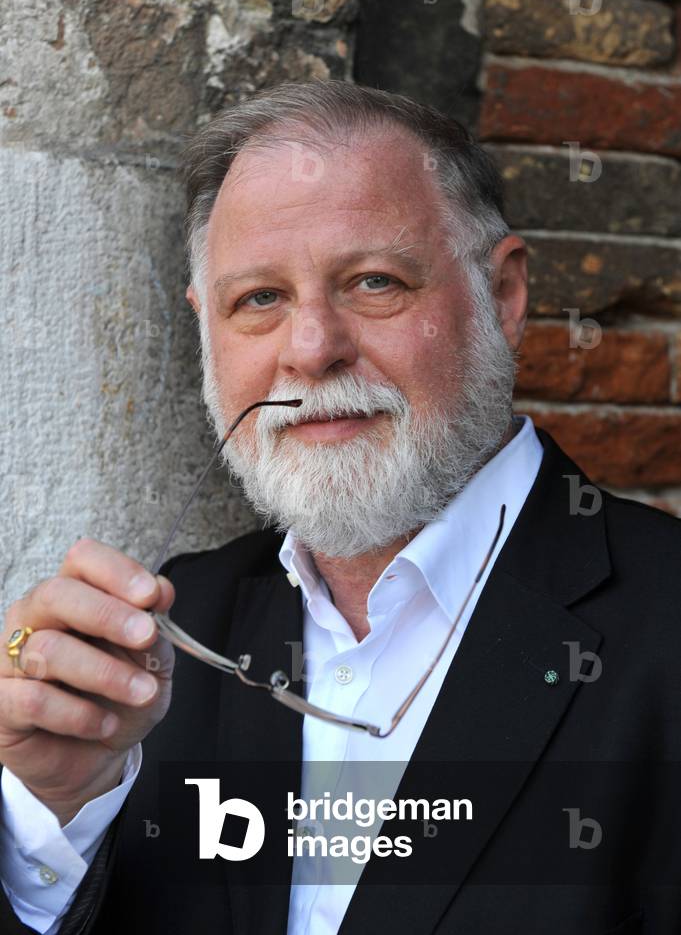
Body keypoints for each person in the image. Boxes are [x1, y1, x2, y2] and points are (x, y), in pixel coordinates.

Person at [0, 81, 679, 935]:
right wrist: (53, 811)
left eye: (373, 281)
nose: (312, 348)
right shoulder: (173, 630)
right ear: (205, 325)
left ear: (502, 295)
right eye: (259, 298)